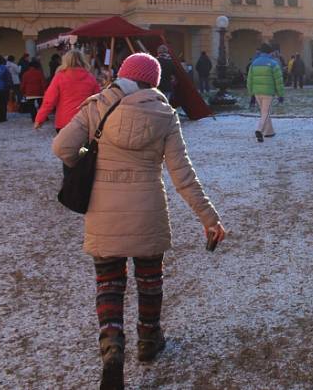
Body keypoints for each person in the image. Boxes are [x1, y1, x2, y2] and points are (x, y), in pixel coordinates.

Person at [52, 53, 226, 390]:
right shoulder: (165, 115)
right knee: (149, 279)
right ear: (153, 83)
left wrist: (87, 158)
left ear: (124, 77)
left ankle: (112, 348)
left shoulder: (97, 105)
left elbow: (62, 147)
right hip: (148, 209)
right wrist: (209, 218)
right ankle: (149, 339)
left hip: (103, 210)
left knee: (108, 282)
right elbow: (183, 176)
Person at [35, 49, 101, 133]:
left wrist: (40, 119)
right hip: (85, 120)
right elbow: (97, 100)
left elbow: (49, 101)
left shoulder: (59, 77)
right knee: (84, 145)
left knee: (65, 145)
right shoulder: (90, 78)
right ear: (82, 60)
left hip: (64, 121)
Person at [246, 43, 284, 143]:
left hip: (257, 92)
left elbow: (249, 79)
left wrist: (251, 93)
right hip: (268, 92)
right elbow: (278, 80)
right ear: (269, 52)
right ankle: (259, 130)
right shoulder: (273, 63)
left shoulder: (254, 63)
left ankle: (269, 132)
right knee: (265, 112)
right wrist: (280, 94)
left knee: (264, 112)